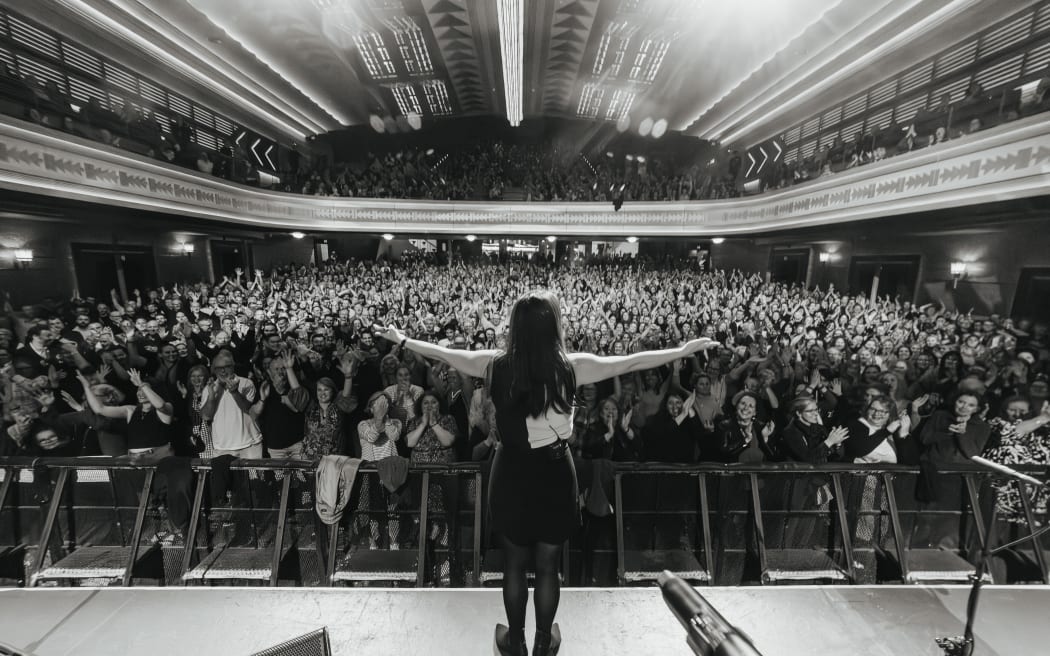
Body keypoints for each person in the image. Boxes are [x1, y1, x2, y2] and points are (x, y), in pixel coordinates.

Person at [375, 289, 717, 656]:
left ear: (515, 327)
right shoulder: (572, 366)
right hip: (555, 472)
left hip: (511, 472)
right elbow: (631, 362)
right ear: (553, 325)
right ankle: (542, 644)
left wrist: (404, 339)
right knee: (548, 566)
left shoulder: (495, 364)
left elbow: (445, 353)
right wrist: (682, 350)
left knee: (514, 564)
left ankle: (515, 642)